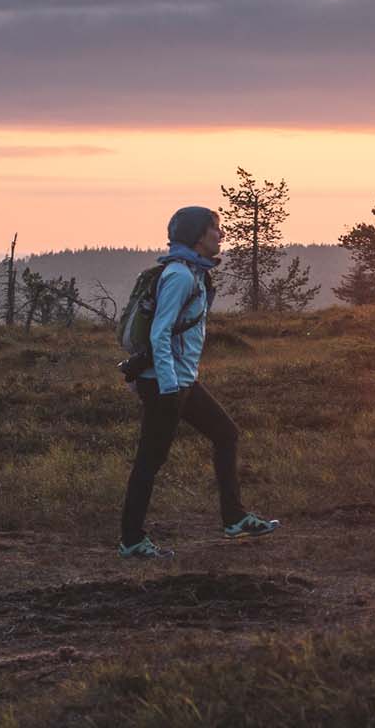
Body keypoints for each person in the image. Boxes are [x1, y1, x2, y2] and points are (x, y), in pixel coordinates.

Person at [118, 205, 279, 559]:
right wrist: (169, 386)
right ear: (196, 235)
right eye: (215, 228)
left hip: (181, 380)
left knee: (226, 433)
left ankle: (234, 518)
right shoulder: (180, 276)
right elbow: (160, 334)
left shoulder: (193, 272)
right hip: (166, 384)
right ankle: (132, 541)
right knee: (150, 460)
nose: (221, 235)